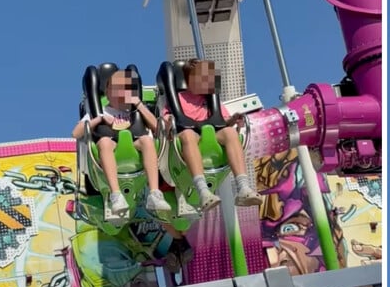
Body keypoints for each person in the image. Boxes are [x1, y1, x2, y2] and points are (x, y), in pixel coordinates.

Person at [160, 58, 264, 211]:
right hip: (189, 138)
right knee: (188, 134)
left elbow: (223, 122)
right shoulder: (177, 99)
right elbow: (167, 120)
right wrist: (168, 121)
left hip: (211, 137)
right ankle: (203, 191)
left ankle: (243, 187)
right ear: (188, 80)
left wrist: (235, 120)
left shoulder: (211, 101)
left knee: (229, 133)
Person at [72, 68, 171, 217]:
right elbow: (76, 133)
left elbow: (157, 129)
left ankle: (154, 193)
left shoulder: (134, 111)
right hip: (111, 147)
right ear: (107, 91)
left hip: (134, 149)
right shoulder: (101, 111)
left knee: (147, 140)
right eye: (116, 88)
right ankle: (115, 195)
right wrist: (99, 119)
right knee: (104, 142)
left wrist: (138, 104)